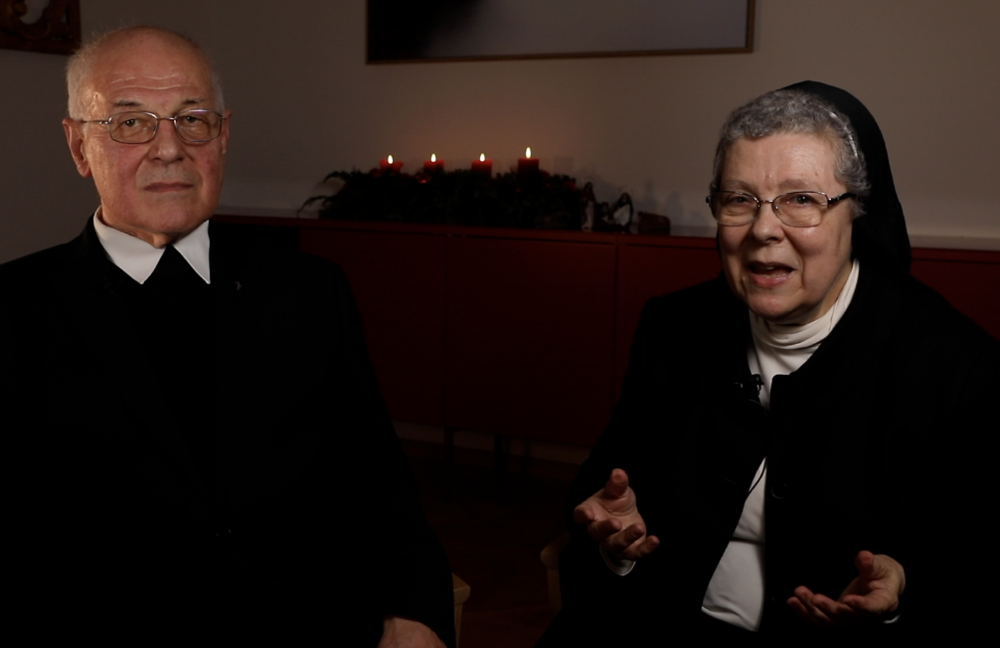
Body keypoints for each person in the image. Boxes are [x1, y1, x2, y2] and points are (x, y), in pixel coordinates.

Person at [0, 26, 454, 646]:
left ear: (223, 136)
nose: (169, 149)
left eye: (193, 120)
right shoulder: (14, 309)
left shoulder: (310, 290)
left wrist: (415, 614)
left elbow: (379, 479)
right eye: (131, 124)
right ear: (79, 146)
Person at [541, 82, 998, 642]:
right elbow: (603, 481)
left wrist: (903, 586)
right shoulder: (671, 327)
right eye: (739, 200)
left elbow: (978, 556)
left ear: (856, 212)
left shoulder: (957, 366)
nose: (762, 229)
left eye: (801, 200)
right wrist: (614, 535)